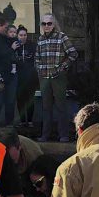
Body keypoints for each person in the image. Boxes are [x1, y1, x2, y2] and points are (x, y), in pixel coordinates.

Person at [35, 13, 77, 143]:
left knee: (61, 107)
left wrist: (62, 68)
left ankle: (63, 135)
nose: (46, 26)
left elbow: (73, 53)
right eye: (44, 23)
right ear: (41, 25)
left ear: (54, 24)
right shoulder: (40, 39)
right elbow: (37, 57)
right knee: (46, 107)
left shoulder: (61, 37)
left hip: (58, 77)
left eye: (49, 23)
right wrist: (39, 68)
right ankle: (45, 135)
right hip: (44, 77)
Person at [14, 25, 37, 127]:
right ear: (17, 36)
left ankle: (30, 121)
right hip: (19, 78)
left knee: (30, 100)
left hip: (30, 77)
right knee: (20, 100)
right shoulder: (14, 46)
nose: (23, 37)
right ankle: (23, 121)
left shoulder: (32, 46)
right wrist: (12, 49)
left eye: (24, 35)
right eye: (21, 35)